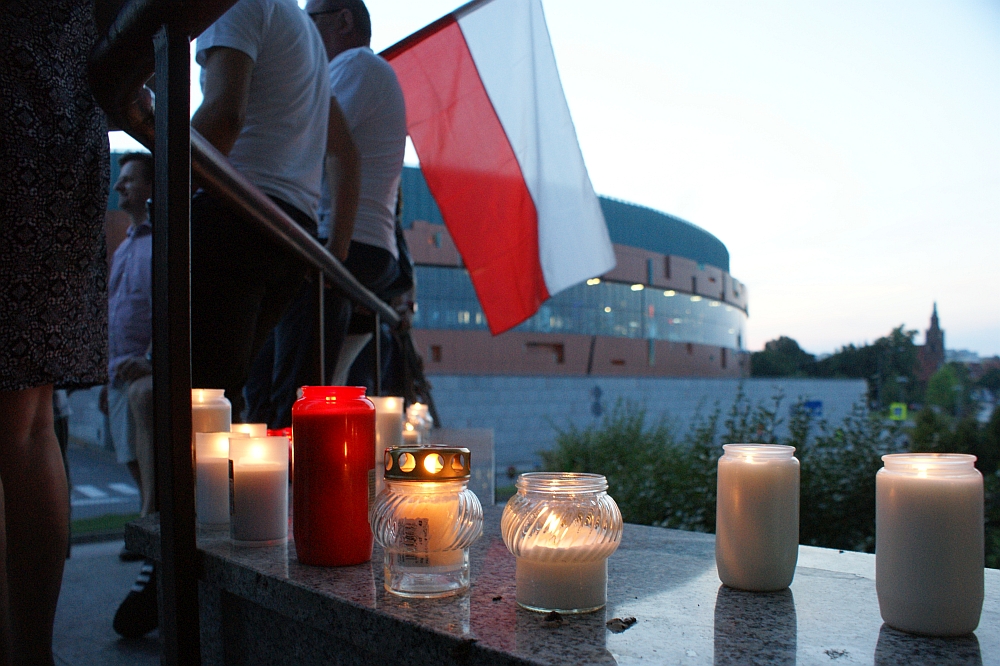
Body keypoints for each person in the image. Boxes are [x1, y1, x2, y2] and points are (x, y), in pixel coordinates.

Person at [0, 2, 111, 663]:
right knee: (30, 423)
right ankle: (30, 651)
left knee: (18, 425)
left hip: (22, 122)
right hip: (63, 136)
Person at [245, 0, 408, 428]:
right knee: (300, 376)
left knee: (289, 385)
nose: (300, 33)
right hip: (366, 245)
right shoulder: (370, 71)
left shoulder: (354, 63)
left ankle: (283, 466)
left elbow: (311, 134)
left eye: (307, 20)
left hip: (348, 241)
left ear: (343, 20)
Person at [187, 0, 332, 423]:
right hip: (291, 226)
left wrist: (165, 190)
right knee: (227, 393)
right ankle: (225, 488)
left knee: (199, 394)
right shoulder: (302, 29)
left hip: (235, 206)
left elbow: (224, 114)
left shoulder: (233, 4)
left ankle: (195, 490)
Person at [104, 153, 155, 551]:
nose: (120, 186)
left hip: (145, 375)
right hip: (120, 376)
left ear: (153, 188)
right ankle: (149, 547)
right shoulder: (124, 247)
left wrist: (153, 360)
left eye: (129, 179)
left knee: (150, 466)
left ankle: (151, 545)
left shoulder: (162, 244)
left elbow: (168, 307)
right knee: (132, 462)